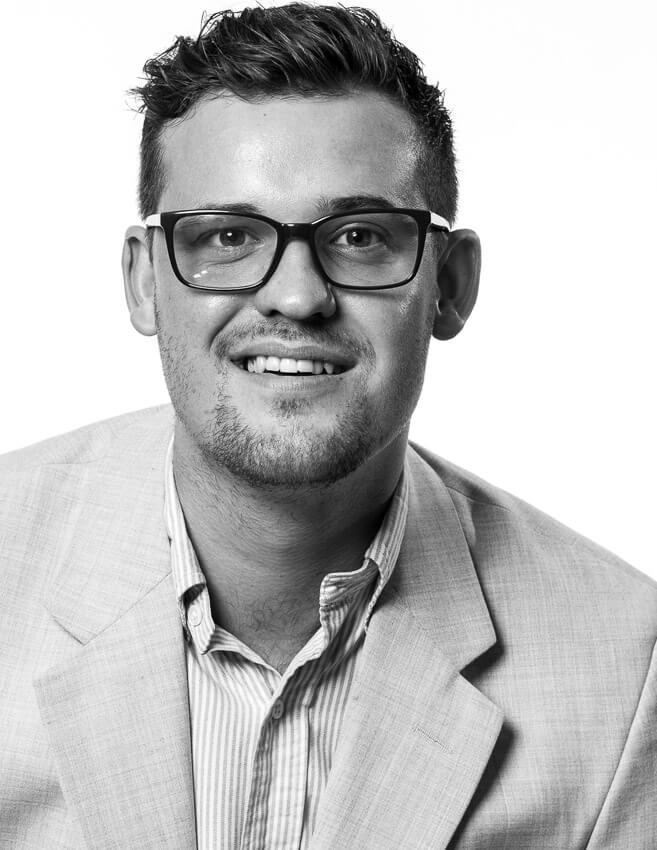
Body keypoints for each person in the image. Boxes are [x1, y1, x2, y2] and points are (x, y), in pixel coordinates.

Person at [1, 4, 655, 848]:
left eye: (358, 236)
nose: (297, 296)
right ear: (142, 282)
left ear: (449, 285)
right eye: (228, 235)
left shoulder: (624, 674)